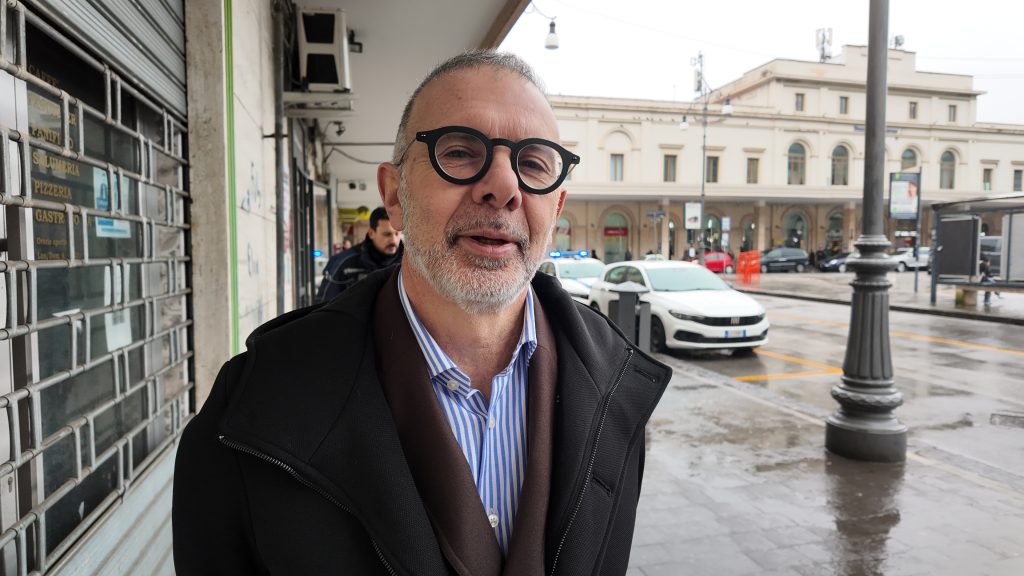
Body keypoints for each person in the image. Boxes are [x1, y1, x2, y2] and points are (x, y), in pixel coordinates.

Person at [173, 51, 671, 575]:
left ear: (558, 208)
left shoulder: (617, 392)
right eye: (460, 152)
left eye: (532, 165)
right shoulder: (253, 408)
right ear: (394, 195)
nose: (505, 188)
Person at [315, 207, 403, 302]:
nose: (393, 240)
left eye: (397, 234)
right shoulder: (343, 263)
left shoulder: (409, 263)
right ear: (371, 233)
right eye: (387, 234)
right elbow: (324, 304)